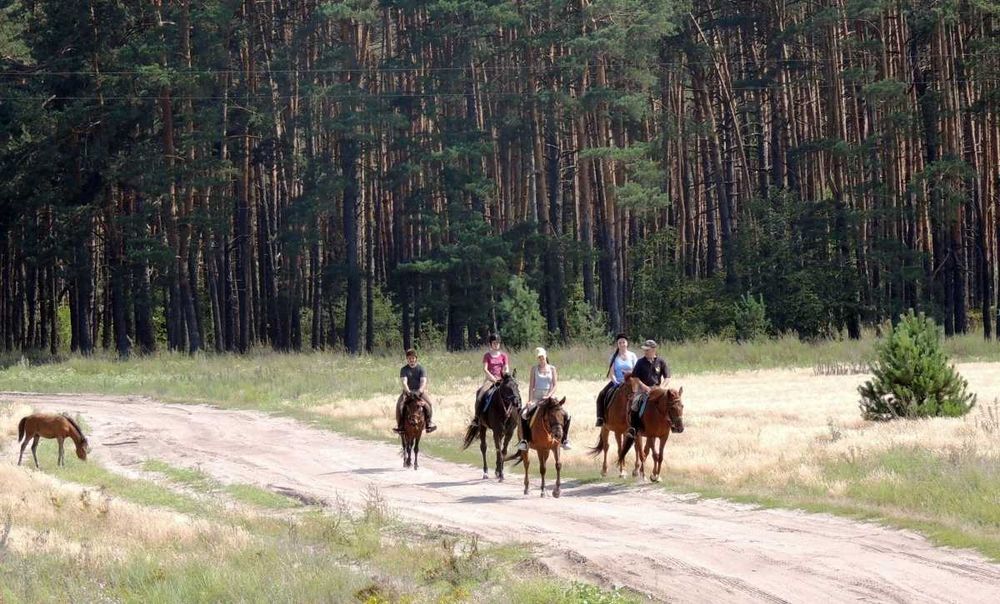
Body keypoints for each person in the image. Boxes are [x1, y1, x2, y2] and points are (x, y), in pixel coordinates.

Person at [516, 347, 571, 451]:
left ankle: (564, 440)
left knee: (567, 414)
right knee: (524, 414)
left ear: (546, 356)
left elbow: (555, 385)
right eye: (539, 357)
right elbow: (531, 385)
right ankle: (525, 440)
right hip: (537, 397)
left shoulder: (552, 369)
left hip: (550, 398)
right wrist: (530, 400)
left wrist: (549, 395)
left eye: (542, 356)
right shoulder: (534, 369)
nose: (541, 359)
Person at [627, 339, 670, 437]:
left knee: (672, 403)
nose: (645, 352)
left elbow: (667, 377)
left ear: (654, 350)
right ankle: (634, 428)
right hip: (643, 390)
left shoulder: (661, 361)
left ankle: (672, 425)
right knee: (635, 404)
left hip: (658, 389)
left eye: (647, 350)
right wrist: (644, 387)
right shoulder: (640, 362)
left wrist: (661, 388)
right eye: (644, 350)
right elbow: (635, 377)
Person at [596, 333, 637, 427]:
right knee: (601, 394)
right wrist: (616, 382)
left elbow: (636, 371)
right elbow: (612, 373)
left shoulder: (632, 356)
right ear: (617, 344)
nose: (622, 344)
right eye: (620, 343)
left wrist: (629, 375)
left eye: (623, 342)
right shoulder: (613, 357)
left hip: (631, 382)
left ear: (627, 343)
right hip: (617, 381)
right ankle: (601, 418)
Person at [394, 349, 437, 434]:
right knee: (400, 405)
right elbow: (404, 382)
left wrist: (420, 391)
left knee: (429, 404)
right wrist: (408, 391)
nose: (411, 360)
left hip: (419, 392)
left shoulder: (421, 369)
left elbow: (423, 381)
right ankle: (400, 425)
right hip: (408, 392)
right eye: (409, 358)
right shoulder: (404, 369)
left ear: (416, 359)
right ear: (407, 359)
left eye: (413, 358)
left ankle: (429, 423)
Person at [471, 334, 510, 424]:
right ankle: (477, 418)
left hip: (502, 379)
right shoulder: (487, 355)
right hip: (490, 380)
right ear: (490, 344)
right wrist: (492, 378)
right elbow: (485, 369)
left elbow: (506, 367)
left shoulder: (504, 355)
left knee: (513, 393)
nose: (496, 345)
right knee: (480, 394)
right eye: (494, 343)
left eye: (497, 343)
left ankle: (515, 416)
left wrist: (505, 374)